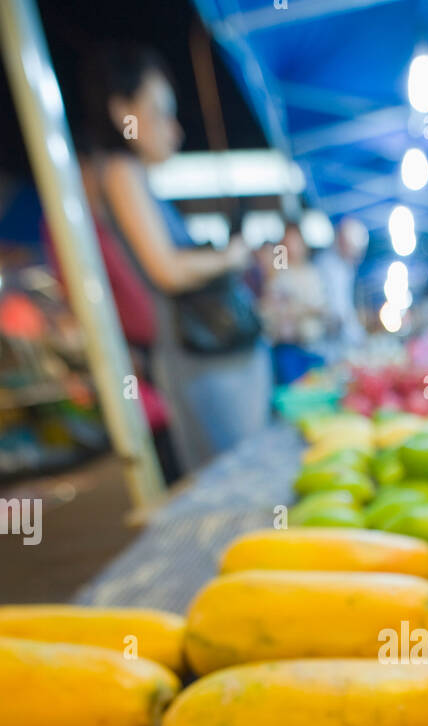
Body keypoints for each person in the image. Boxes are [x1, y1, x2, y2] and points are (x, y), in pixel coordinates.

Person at [78, 43, 272, 472]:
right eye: (160, 111)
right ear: (122, 113)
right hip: (194, 359)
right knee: (231, 477)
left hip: (196, 358)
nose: (174, 129)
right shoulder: (120, 171)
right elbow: (166, 270)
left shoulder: (130, 177)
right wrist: (231, 257)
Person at [258, 221, 328, 383]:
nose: (292, 246)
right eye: (287, 242)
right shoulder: (278, 275)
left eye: (295, 241)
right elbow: (271, 309)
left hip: (314, 345)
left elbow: (323, 307)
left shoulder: (313, 273)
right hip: (288, 350)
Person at [316, 217, 368, 356]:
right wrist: (357, 336)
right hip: (327, 340)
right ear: (341, 240)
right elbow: (339, 308)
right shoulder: (327, 264)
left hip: (341, 338)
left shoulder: (346, 268)